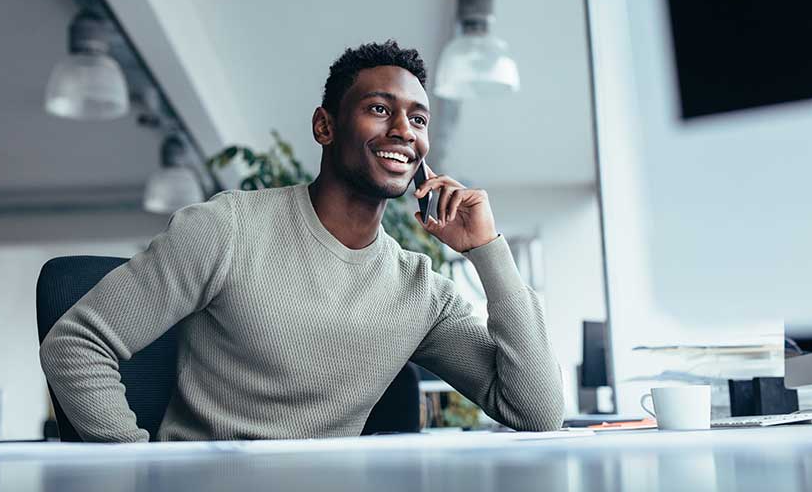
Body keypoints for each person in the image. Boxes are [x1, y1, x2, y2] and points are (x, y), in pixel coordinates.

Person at [40, 40, 564, 442]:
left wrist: (488, 250)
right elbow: (75, 345)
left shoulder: (422, 293)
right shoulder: (228, 229)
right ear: (325, 127)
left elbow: (537, 412)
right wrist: (141, 472)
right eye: (380, 109)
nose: (405, 129)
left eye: (418, 118)